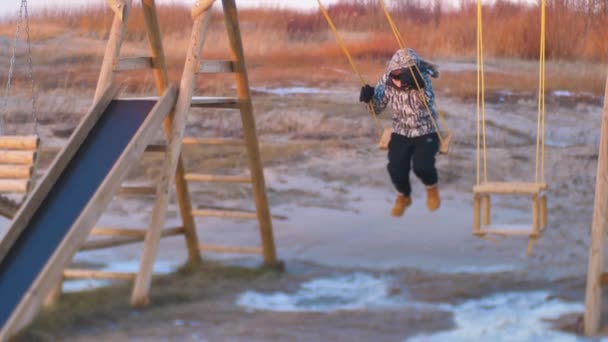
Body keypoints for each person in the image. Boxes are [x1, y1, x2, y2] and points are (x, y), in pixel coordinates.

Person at [359, 48, 441, 217]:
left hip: (425, 130)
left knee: (422, 166)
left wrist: (417, 87)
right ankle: (404, 195)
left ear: (411, 74)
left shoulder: (422, 79)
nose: (395, 80)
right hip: (401, 131)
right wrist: (369, 99)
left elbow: (426, 102)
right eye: (393, 75)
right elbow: (377, 108)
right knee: (396, 168)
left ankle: (431, 187)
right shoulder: (387, 80)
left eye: (400, 76)